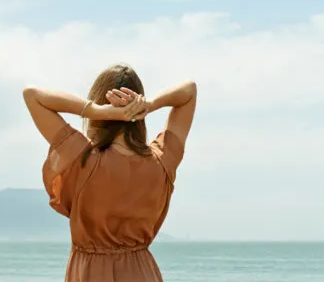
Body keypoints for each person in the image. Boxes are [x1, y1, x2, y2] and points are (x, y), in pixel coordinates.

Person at [21, 63, 197, 282]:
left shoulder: (81, 156)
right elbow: (189, 91)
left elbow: (32, 95)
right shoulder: (162, 160)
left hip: (89, 274)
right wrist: (148, 106)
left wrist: (96, 110)